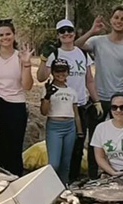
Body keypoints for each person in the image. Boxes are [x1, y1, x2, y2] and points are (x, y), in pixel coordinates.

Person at [76, 6, 123, 178]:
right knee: (95, 140)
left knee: (118, 140)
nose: (119, 21)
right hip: (97, 97)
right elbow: (76, 46)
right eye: (116, 17)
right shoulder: (98, 41)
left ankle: (116, 175)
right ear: (111, 20)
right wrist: (91, 31)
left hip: (119, 100)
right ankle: (92, 176)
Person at [36, 19, 99, 182]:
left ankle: (70, 183)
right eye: (62, 31)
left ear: (74, 32)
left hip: (79, 105)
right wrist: (43, 59)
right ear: (58, 35)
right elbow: (41, 77)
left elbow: (89, 80)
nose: (66, 34)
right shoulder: (55, 53)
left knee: (77, 150)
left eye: (69, 30)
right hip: (57, 108)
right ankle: (51, 185)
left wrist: (96, 100)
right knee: (56, 160)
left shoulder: (82, 53)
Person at [0, 21, 33, 175]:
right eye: (1, 35)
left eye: (8, 34)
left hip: (16, 106)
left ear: (14, 35)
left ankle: (15, 179)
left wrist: (27, 64)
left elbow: (27, 85)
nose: (5, 38)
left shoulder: (20, 57)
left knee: (14, 149)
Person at [40, 58, 82, 184]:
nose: (60, 74)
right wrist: (47, 96)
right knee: (54, 163)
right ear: (52, 72)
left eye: (63, 71)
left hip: (69, 126)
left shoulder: (72, 91)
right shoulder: (48, 89)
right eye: (57, 71)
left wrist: (79, 131)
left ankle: (64, 187)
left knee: (65, 162)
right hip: (54, 126)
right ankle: (48, 186)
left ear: (68, 72)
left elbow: (76, 114)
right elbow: (43, 111)